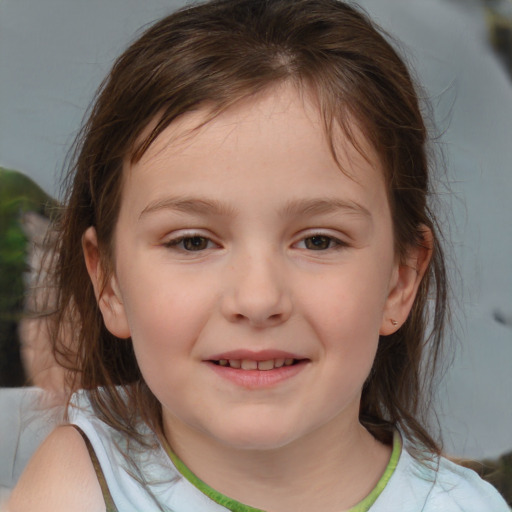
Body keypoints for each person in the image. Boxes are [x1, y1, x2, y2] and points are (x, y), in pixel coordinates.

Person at [6, 0, 509, 510]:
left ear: (400, 280)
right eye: (193, 241)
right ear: (108, 281)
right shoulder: (80, 485)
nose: (258, 297)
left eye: (318, 241)